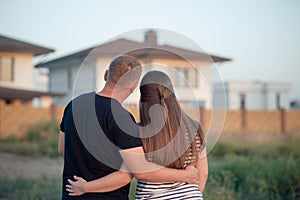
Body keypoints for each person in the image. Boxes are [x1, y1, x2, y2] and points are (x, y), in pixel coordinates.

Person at [58, 55, 199, 200]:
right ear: (133, 87)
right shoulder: (122, 119)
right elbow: (133, 174)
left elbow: (62, 149)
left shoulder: (73, 105)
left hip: (71, 195)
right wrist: (185, 175)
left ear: (106, 75)